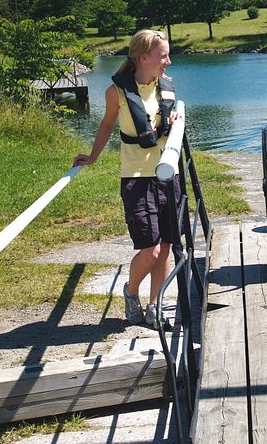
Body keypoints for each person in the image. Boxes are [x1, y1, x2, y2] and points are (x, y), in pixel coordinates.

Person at [73, 29, 181, 328]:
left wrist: (175, 122)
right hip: (136, 177)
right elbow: (107, 124)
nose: (168, 62)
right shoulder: (116, 92)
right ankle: (131, 294)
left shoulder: (166, 87)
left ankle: (155, 306)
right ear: (142, 57)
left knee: (167, 246)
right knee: (150, 249)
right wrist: (93, 156)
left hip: (167, 175)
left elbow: (174, 122)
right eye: (162, 56)